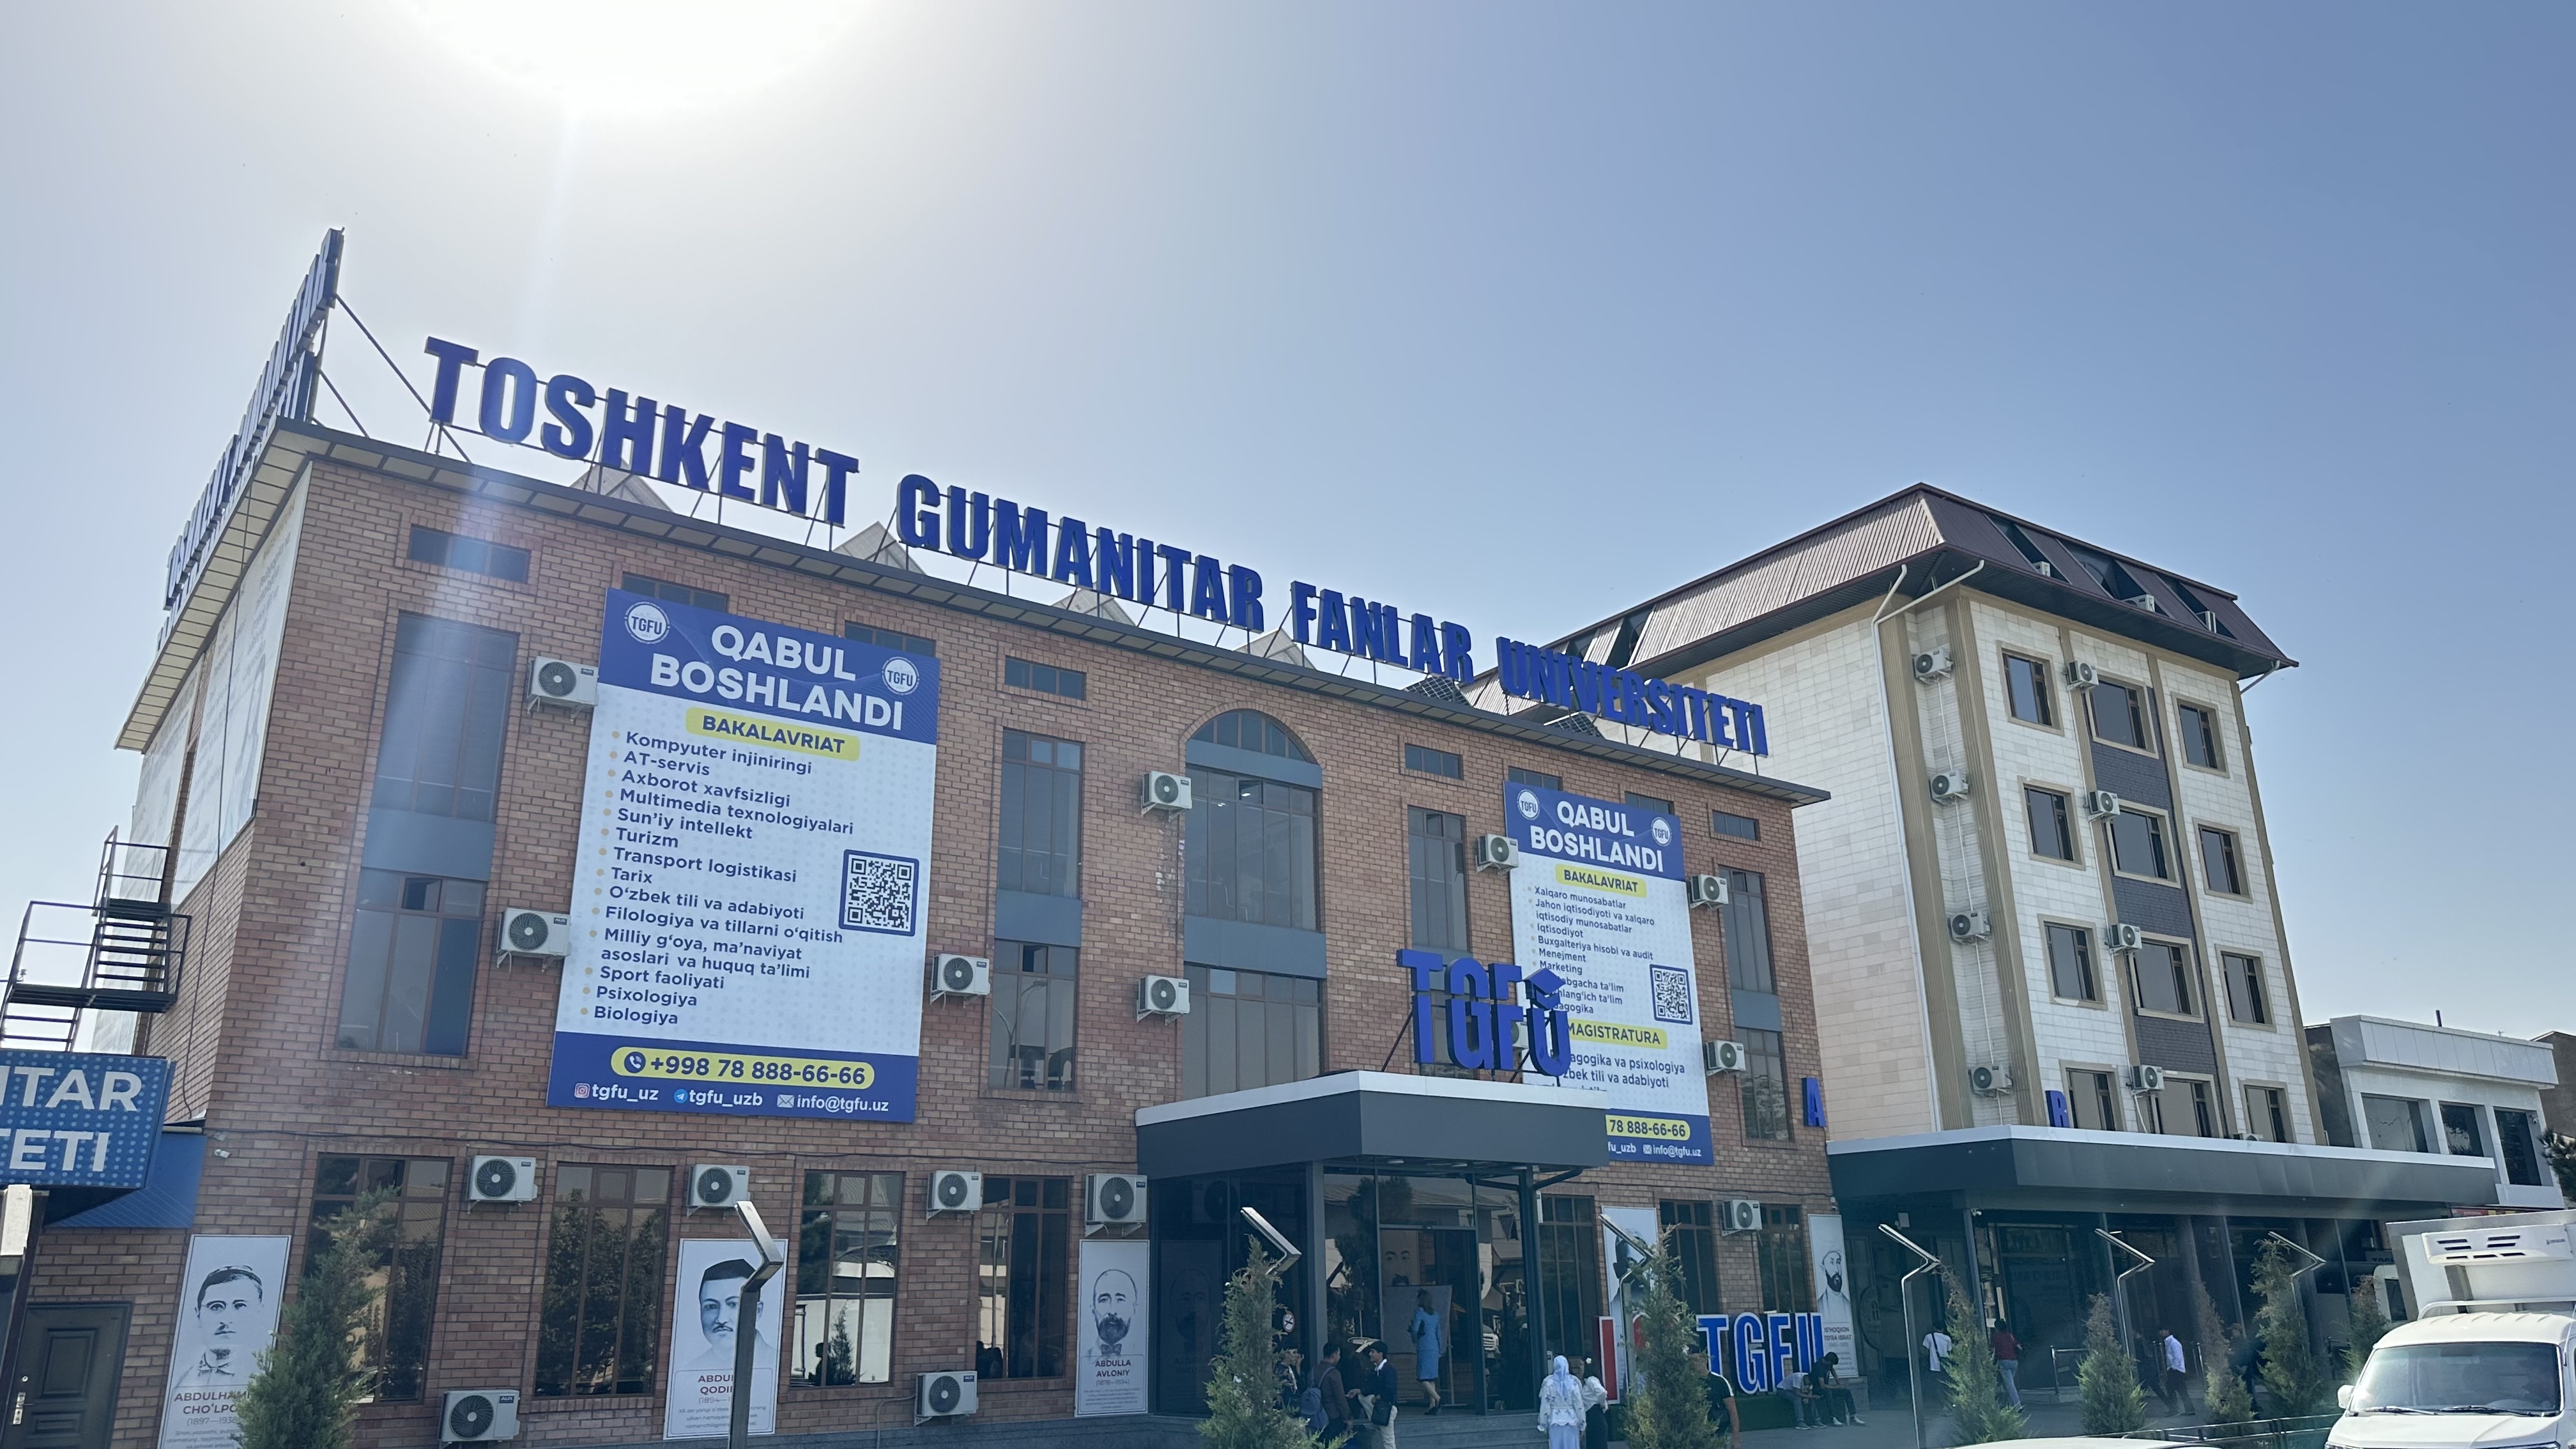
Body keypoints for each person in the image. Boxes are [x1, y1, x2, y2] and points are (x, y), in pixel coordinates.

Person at [172, 1266, 266, 1390]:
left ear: (259, 1313)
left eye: (240, 1306)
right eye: (216, 1307)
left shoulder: (264, 1375)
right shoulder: (181, 1383)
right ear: (198, 1315)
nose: (226, 1319)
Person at [1352, 1339, 1400, 1448]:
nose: (1370, 1354)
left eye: (1373, 1352)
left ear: (1381, 1354)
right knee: (1362, 1396)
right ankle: (1376, 1422)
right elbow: (1371, 1388)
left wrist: (1378, 1397)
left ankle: (1377, 1423)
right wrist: (1359, 1391)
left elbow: (1390, 1391)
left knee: (1388, 1440)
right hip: (1381, 1407)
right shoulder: (1378, 1370)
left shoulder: (1388, 1370)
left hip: (1387, 1408)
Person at [1692, 1346, 1742, 1449]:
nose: (1694, 1363)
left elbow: (1732, 1411)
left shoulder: (1720, 1382)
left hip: (1718, 1433)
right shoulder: (1688, 1383)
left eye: (1696, 1359)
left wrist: (1736, 1440)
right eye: (1690, 1360)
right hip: (1695, 1435)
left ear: (1705, 1360)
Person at [1409, 1290, 1445, 1414]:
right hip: (1434, 1347)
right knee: (1431, 1377)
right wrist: (1440, 1349)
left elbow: (1415, 1329)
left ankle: (1437, 1398)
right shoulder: (1435, 1315)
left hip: (1424, 1346)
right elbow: (1438, 1333)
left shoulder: (1419, 1312)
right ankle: (1432, 1405)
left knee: (1422, 1377)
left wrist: (1415, 1339)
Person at [1539, 1354, 1587, 1449]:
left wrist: (1543, 1424)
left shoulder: (1548, 1383)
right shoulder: (1574, 1382)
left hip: (1555, 1421)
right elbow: (1579, 1406)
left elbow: (1545, 1406)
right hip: (1572, 1421)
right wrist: (1583, 1424)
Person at [1812, 1351, 1863, 1425]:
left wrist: (1838, 1381)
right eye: (1832, 1364)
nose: (1832, 1365)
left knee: (1846, 1392)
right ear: (1829, 1361)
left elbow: (1832, 1370)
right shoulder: (1818, 1367)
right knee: (1828, 1393)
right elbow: (1822, 1385)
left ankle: (1853, 1416)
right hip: (1818, 1389)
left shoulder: (1828, 1364)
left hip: (1826, 1387)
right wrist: (1837, 1387)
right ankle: (1833, 1418)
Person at [1315, 1342, 1350, 1443]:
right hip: (1332, 1416)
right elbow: (1340, 1398)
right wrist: (1347, 1417)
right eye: (1339, 1354)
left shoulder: (1313, 1371)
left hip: (1315, 1416)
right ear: (1334, 1355)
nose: (1339, 1357)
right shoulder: (1334, 1373)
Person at [1579, 1355, 1611, 1449]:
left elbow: (1602, 1392)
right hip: (1591, 1417)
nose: (1580, 1368)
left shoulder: (1591, 1380)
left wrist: (1603, 1405)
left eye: (1582, 1365)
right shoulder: (1586, 1382)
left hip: (1596, 1416)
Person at [1989, 1319, 2022, 1409]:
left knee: (2010, 1385)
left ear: (1996, 1327)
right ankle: (2009, 1405)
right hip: (2014, 1361)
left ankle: (2018, 1406)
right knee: (2009, 1384)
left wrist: (1992, 1361)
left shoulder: (1995, 1336)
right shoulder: (2009, 1335)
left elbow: (1992, 1351)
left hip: (2003, 1361)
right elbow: (2019, 1347)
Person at [2158, 1326, 2189, 1416]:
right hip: (2176, 1369)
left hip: (2176, 1370)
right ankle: (2188, 1409)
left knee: (2172, 1388)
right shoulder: (2170, 1342)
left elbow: (2177, 1357)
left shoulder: (2173, 1343)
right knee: (2180, 1389)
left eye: (2162, 1330)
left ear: (2168, 1331)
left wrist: (2173, 1368)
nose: (2161, 1332)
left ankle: (2175, 1409)